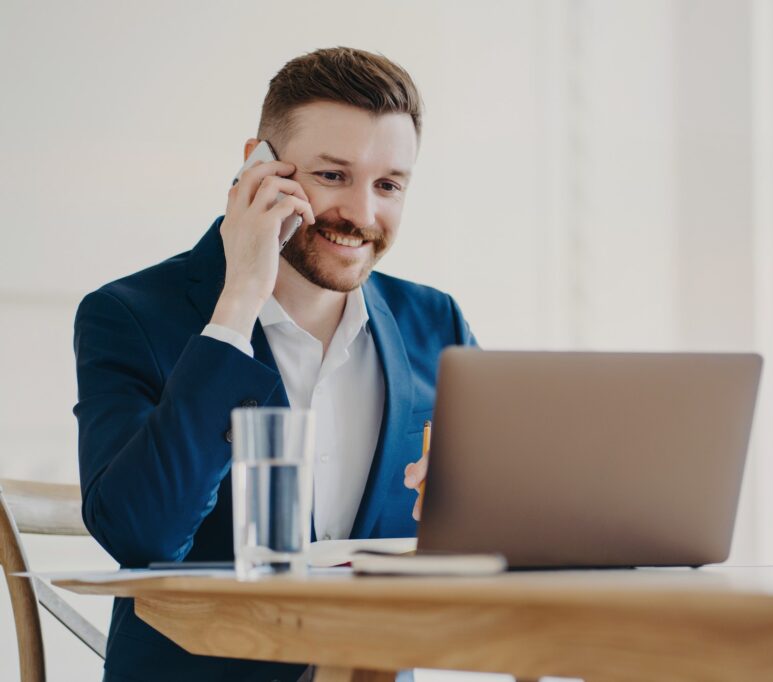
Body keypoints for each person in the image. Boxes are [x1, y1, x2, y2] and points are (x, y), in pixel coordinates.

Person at [73, 47, 474, 682]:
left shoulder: (436, 323)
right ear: (258, 167)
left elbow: (487, 532)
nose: (363, 216)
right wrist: (237, 303)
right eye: (333, 176)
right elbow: (143, 537)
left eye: (389, 185)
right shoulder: (130, 315)